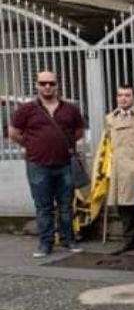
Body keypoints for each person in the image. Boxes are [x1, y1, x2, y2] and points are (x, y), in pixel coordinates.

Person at [8, 70, 86, 257]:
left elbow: (79, 132)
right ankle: (45, 244)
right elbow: (13, 133)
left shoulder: (70, 109)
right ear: (36, 85)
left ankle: (68, 241)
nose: (47, 86)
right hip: (37, 165)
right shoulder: (26, 110)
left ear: (57, 84)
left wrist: (64, 144)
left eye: (51, 83)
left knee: (66, 206)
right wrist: (32, 145)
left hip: (64, 165)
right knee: (43, 207)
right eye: (43, 83)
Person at [105, 84, 134, 255]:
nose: (123, 98)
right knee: (124, 206)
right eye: (120, 95)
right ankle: (128, 239)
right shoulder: (110, 118)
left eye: (127, 95)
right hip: (121, 168)